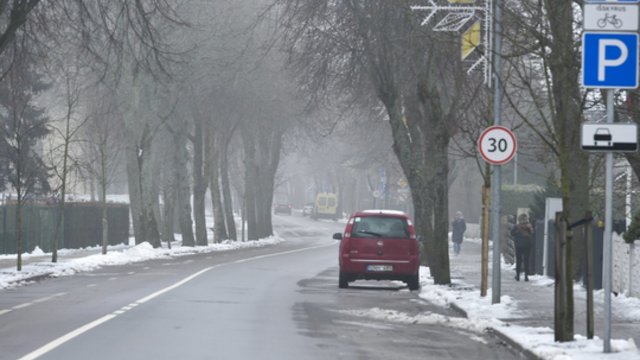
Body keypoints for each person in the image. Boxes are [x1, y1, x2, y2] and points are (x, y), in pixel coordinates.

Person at [510, 213, 533, 281]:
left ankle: (517, 276)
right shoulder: (529, 226)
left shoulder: (517, 226)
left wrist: (517, 232)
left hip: (518, 246)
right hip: (527, 245)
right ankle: (526, 276)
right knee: (526, 261)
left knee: (519, 261)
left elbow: (512, 233)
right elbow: (532, 233)